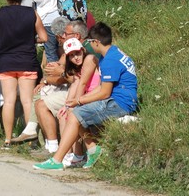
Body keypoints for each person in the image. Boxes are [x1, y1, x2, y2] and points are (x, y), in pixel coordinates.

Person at [33, 22, 137, 170]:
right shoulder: (113, 53)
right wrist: (76, 102)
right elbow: (101, 87)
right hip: (120, 99)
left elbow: (104, 92)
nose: (89, 45)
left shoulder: (109, 60)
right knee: (74, 112)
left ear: (96, 42)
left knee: (74, 115)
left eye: (89, 42)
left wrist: (79, 101)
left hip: (120, 103)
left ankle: (58, 160)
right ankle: (92, 150)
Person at [0, 0, 48, 148]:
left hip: (6, 61)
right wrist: (31, 40)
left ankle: (7, 138)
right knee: (27, 101)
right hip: (27, 60)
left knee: (9, 100)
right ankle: (30, 139)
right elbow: (44, 37)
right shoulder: (31, 13)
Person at [10, 16, 70, 144]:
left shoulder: (72, 50)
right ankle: (40, 139)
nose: (58, 41)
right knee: (39, 93)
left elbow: (62, 76)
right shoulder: (64, 51)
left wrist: (48, 79)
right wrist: (45, 80)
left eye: (58, 38)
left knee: (41, 100)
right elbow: (54, 70)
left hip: (70, 89)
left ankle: (42, 141)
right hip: (65, 85)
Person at [34, 20, 88, 153]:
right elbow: (57, 73)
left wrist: (61, 74)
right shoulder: (70, 51)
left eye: (66, 33)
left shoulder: (86, 53)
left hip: (83, 94)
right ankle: (53, 146)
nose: (63, 35)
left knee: (44, 105)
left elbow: (77, 80)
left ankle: (59, 150)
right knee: (38, 96)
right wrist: (46, 80)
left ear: (76, 36)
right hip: (73, 91)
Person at [56, 38, 100, 168]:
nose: (75, 57)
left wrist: (75, 104)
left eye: (77, 53)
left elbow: (83, 84)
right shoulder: (77, 69)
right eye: (71, 55)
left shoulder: (90, 59)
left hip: (96, 97)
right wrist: (66, 105)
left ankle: (91, 149)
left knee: (73, 113)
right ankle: (74, 155)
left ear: (83, 50)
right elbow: (75, 86)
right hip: (87, 98)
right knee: (64, 114)